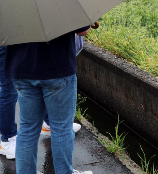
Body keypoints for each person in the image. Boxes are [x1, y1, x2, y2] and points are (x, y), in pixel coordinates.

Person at [6, 25, 95, 174]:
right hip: (57, 67)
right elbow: (82, 30)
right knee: (61, 128)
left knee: (28, 127)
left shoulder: (9, 1)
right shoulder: (63, 0)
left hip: (21, 68)